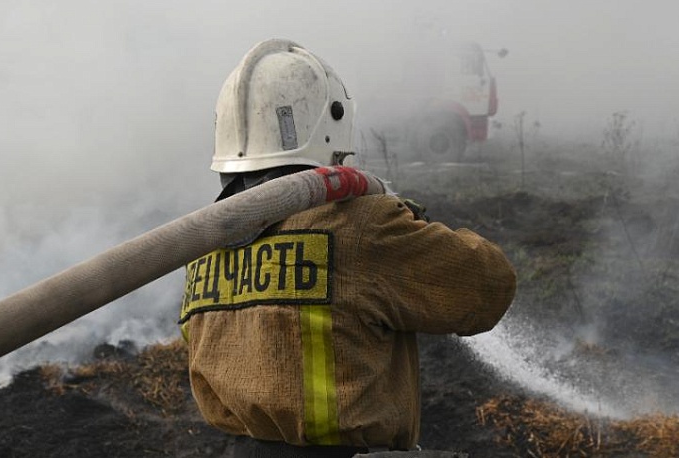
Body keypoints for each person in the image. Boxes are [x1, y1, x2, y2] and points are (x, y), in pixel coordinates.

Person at [179, 38, 517, 457]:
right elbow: (487, 288)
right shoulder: (362, 227)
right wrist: (410, 225)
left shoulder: (201, 248)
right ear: (331, 120)